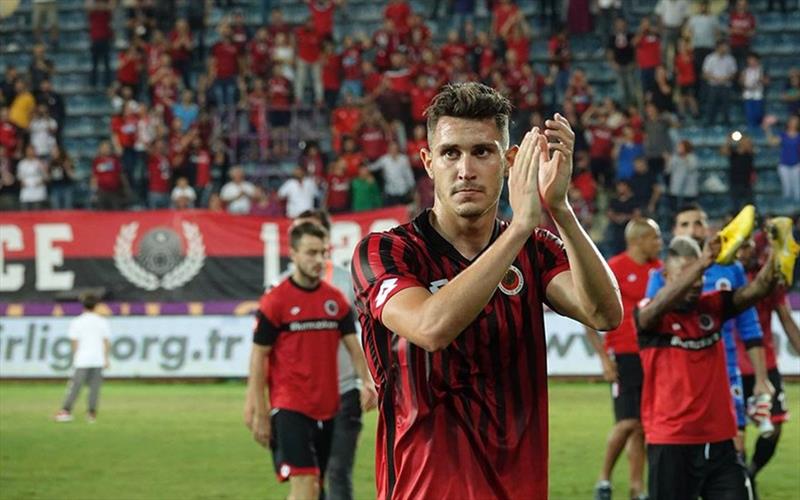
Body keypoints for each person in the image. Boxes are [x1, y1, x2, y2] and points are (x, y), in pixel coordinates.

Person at [351, 82, 622, 498]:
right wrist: (518, 229)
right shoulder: (385, 252)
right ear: (428, 162)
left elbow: (604, 314)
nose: (465, 169)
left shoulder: (536, 249)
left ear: (509, 160)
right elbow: (430, 328)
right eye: (450, 153)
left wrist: (561, 209)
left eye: (482, 151)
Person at [636, 234, 781, 499]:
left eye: (700, 276)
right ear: (666, 276)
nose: (696, 283)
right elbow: (650, 313)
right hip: (671, 442)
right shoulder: (651, 315)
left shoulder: (712, 306)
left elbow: (758, 289)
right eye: (687, 274)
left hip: (720, 442)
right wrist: (701, 263)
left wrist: (778, 252)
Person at [244, 222, 377, 500]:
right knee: (305, 484)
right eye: (311, 253)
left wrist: (367, 381)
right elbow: (259, 356)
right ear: (293, 254)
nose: (318, 260)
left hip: (328, 409)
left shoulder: (334, 300)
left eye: (322, 253)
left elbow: (354, 346)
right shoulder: (276, 301)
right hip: (289, 407)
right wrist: (258, 407)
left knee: (314, 486)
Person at [645, 204, 773, 456]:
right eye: (685, 224)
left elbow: (749, 326)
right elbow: (650, 320)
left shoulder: (732, 270)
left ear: (707, 229)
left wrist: (761, 378)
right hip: (678, 379)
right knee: (679, 448)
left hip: (725, 372)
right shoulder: (662, 275)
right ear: (674, 231)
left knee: (735, 446)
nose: (692, 229)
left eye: (698, 223)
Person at [587, 218, 663, 500]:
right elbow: (590, 314)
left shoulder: (659, 270)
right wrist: (604, 359)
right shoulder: (614, 268)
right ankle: (604, 479)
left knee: (642, 426)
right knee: (628, 422)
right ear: (638, 240)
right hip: (623, 355)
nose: (659, 243)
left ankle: (636, 487)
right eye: (654, 238)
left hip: (651, 355)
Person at [735, 234, 800, 486]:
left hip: (766, 364)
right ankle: (741, 482)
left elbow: (786, 319)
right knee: (735, 434)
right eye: (740, 246)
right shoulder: (725, 277)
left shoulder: (770, 279)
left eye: (748, 245)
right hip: (732, 367)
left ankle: (750, 473)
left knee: (774, 428)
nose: (744, 251)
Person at [54, 293, 111, 424]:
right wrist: (106, 358)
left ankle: (66, 411)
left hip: (82, 360)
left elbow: (74, 342)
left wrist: (76, 356)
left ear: (83, 305)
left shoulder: (77, 321)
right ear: (96, 305)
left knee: (75, 387)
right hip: (97, 359)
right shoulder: (102, 321)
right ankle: (91, 414)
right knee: (94, 388)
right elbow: (106, 342)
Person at [764, 115, 800, 203]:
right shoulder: (783, 135)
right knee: (786, 188)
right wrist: (767, 130)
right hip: (784, 165)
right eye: (792, 121)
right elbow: (772, 142)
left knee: (797, 189)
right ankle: (787, 207)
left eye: (795, 122)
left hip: (796, 165)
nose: (793, 123)